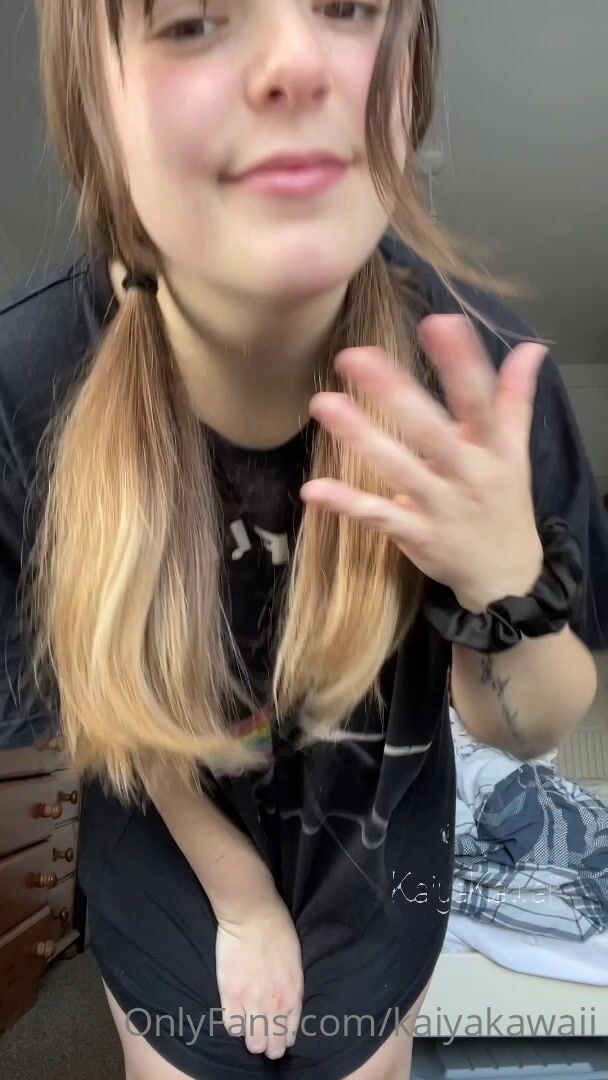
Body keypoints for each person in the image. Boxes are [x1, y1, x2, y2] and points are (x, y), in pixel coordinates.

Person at [1, 1, 608, 1077]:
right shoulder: (28, 382)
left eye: (347, 7)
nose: (294, 62)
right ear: (96, 94)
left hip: (378, 884)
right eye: (194, 19)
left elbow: (527, 723)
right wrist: (237, 897)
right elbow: (94, 701)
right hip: (164, 859)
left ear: (411, 67)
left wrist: (504, 584)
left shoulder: (482, 377)